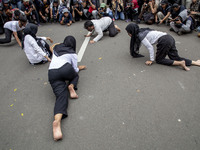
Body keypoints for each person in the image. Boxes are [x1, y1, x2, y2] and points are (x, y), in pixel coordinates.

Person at [48, 36, 86, 141]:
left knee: (61, 96)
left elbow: (52, 47)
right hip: (65, 69)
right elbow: (74, 69)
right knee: (75, 75)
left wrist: (60, 43)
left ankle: (57, 121)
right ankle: (71, 86)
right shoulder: (73, 53)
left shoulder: (57, 47)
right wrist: (79, 69)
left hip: (52, 73)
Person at [125, 23, 200, 71]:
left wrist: (151, 60)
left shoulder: (140, 35)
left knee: (159, 59)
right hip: (169, 37)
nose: (129, 35)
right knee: (175, 57)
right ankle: (196, 62)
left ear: (132, 31)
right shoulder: (142, 31)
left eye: (129, 33)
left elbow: (150, 47)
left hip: (164, 41)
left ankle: (180, 63)